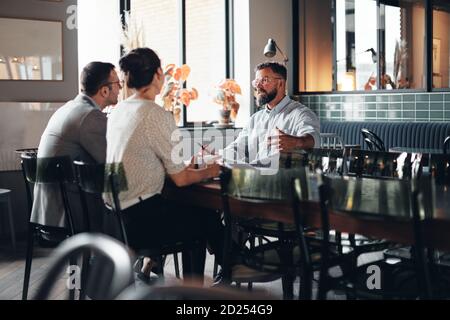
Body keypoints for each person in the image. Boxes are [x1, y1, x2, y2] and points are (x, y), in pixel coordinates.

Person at [105, 47, 223, 276]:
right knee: (205, 216)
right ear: (159, 73)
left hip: (116, 217)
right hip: (141, 221)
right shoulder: (155, 114)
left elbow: (145, 159)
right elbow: (180, 179)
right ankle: (230, 265)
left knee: (198, 213)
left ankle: (233, 261)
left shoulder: (119, 110)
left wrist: (185, 168)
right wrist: (213, 169)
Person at [31, 62, 121, 232]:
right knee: (136, 208)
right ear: (104, 90)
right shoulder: (90, 116)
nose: (121, 87)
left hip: (50, 209)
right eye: (117, 83)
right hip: (68, 212)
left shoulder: (70, 107)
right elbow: (114, 163)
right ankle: (120, 257)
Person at [222, 62, 320, 165]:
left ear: (280, 84)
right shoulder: (255, 119)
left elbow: (315, 140)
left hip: (285, 178)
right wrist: (219, 156)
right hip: (256, 176)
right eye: (256, 82)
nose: (258, 86)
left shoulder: (301, 114)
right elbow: (239, 146)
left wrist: (297, 142)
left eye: (264, 80)